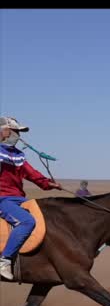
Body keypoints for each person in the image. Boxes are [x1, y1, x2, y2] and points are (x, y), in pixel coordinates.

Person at [0, 116, 63, 280]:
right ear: (4, 131)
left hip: (19, 198)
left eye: (19, 132)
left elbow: (31, 174)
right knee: (26, 222)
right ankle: (4, 260)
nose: (18, 135)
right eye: (15, 131)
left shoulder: (18, 155)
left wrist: (48, 184)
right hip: (2, 198)